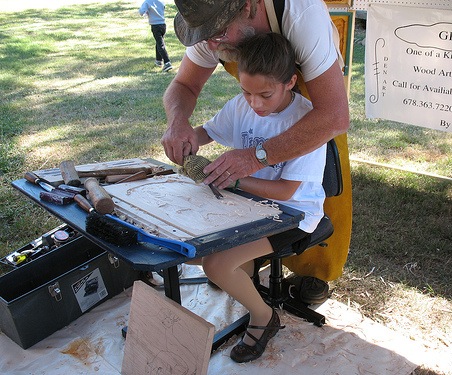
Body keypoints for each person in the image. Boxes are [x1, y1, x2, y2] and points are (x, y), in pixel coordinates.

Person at [162, 0, 351, 305]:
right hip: (267, 85)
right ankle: (247, 263)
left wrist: (253, 157)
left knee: (322, 169)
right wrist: (178, 123)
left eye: (220, 33)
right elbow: (184, 83)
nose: (212, 43)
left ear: (248, 7)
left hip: (312, 96)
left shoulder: (301, 14)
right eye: (205, 35)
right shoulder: (212, 29)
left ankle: (315, 273)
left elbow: (334, 117)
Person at [193, 32, 326, 363]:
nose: (254, 103)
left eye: (265, 94)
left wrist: (235, 178)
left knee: (215, 264)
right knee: (188, 243)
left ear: (290, 82)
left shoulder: (306, 121)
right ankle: (244, 272)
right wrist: (184, 138)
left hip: (293, 213)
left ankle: (264, 317)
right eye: (245, 91)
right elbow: (207, 132)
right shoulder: (243, 104)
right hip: (248, 205)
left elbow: (285, 192)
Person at [139, 0, 173, 72]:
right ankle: (158, 60)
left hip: (155, 25)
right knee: (159, 42)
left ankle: (167, 62)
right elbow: (163, 8)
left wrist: (146, 12)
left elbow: (141, 12)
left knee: (160, 44)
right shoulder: (161, 1)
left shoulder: (147, 2)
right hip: (163, 24)